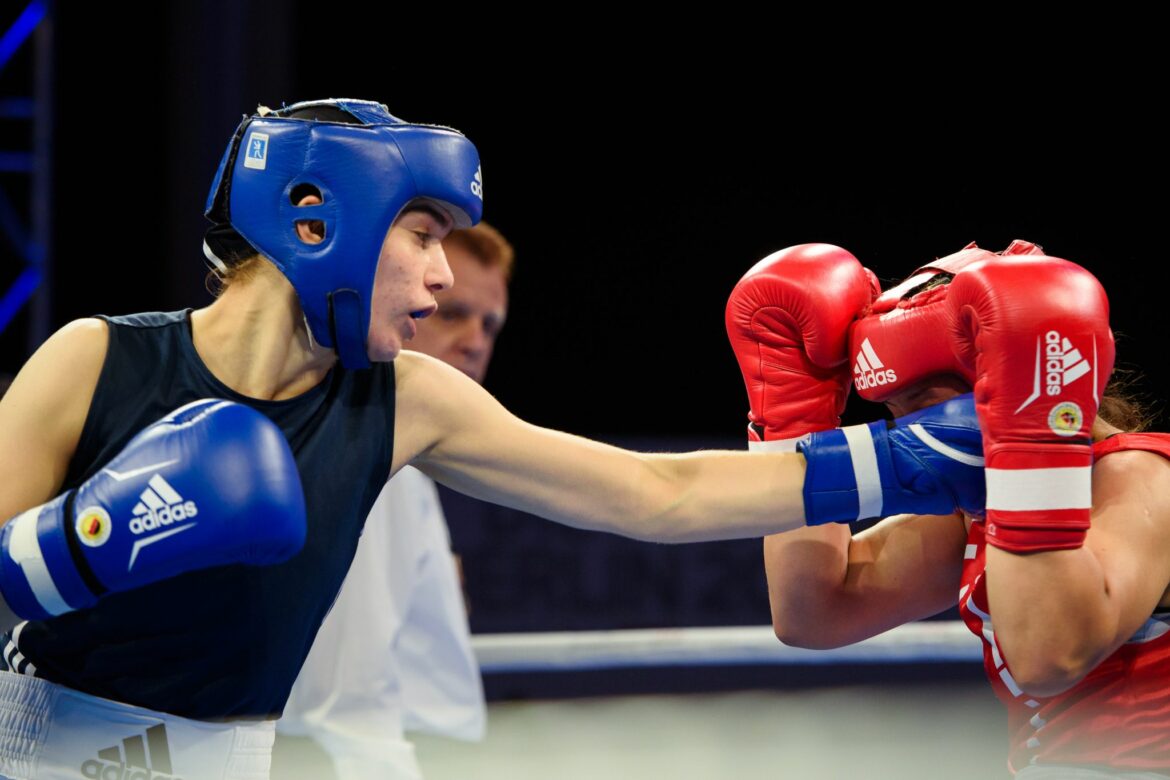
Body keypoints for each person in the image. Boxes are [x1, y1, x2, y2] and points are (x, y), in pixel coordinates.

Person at [0, 98, 983, 779]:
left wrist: (901, 465)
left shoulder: (404, 399)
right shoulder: (90, 363)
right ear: (315, 217)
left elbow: (657, 495)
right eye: (422, 233)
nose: (439, 281)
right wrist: (70, 554)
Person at [727, 239, 1170, 778]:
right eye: (895, 410)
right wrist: (794, 422)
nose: (910, 431)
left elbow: (1049, 657)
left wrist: (1028, 445)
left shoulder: (1143, 475)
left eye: (923, 404)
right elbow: (814, 612)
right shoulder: (976, 508)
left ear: (1005, 380)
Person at [275, 222, 513, 779]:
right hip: (388, 756)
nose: (476, 341)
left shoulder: (408, 460)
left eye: (491, 324)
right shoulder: (375, 454)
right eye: (453, 313)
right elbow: (350, 709)